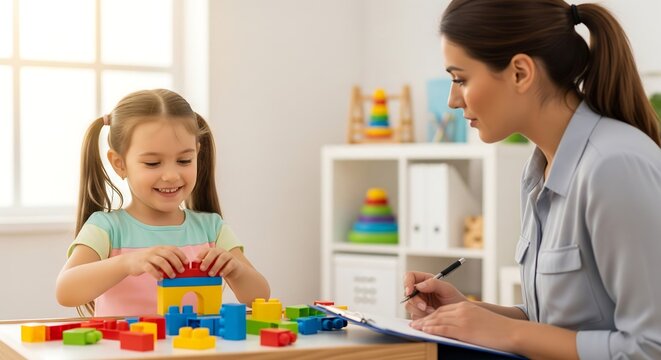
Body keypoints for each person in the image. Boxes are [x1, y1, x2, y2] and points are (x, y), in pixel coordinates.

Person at [403, 1, 661, 359]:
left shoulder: (612, 167)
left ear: (521, 72)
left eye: (460, 79)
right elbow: (559, 326)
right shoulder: (538, 170)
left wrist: (507, 332)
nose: (451, 100)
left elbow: (650, 347)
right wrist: (469, 313)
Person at [56, 89, 270, 317]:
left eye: (184, 160)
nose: (171, 175)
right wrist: (128, 263)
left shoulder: (211, 229)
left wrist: (235, 270)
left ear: (197, 154)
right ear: (119, 164)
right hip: (126, 353)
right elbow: (66, 291)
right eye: (152, 163)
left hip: (195, 350)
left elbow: (259, 297)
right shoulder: (106, 228)